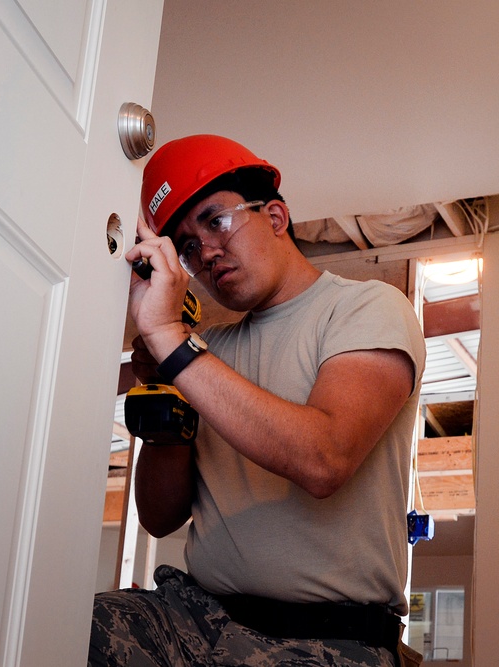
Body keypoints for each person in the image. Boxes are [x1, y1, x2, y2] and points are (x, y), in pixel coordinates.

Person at [89, 134, 426, 666]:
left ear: (274, 217)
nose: (207, 251)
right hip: (195, 618)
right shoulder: (207, 354)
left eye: (216, 221)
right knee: (69, 623)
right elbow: (158, 517)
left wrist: (174, 345)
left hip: (330, 638)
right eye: (187, 247)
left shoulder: (367, 308)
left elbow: (324, 458)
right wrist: (163, 403)